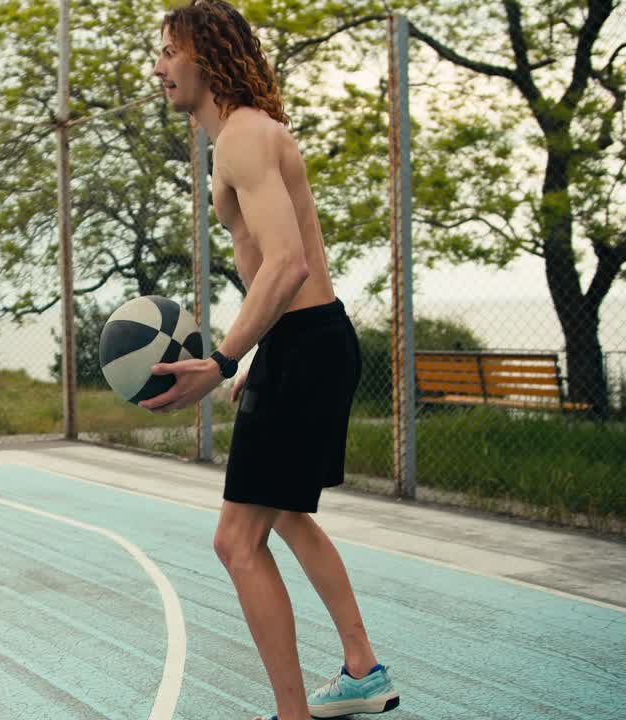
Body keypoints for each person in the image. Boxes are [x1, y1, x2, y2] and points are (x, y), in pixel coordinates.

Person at [146, 2, 400, 718]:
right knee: (284, 516)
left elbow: (286, 264)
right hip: (307, 342)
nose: (159, 67)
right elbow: (282, 272)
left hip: (307, 344)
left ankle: (293, 714)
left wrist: (223, 360)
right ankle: (362, 667)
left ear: (206, 55)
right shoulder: (239, 136)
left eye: (169, 52)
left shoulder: (243, 139)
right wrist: (262, 355)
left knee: (235, 540)